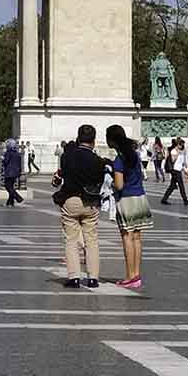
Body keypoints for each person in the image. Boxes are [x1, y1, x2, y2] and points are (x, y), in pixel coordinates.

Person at [54, 124, 107, 289]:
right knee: (91, 239)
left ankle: (74, 277)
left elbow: (63, 175)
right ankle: (93, 278)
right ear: (93, 141)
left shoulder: (67, 157)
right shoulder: (98, 160)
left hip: (71, 200)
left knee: (71, 240)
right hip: (90, 202)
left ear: (78, 138)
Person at [106, 124, 151, 290]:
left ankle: (130, 275)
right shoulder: (135, 156)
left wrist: (110, 179)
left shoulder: (119, 160)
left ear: (112, 140)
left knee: (127, 237)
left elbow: (119, 185)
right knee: (137, 237)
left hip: (126, 199)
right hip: (140, 196)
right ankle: (136, 275)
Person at [160, 138, 188, 205]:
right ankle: (185, 200)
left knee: (172, 186)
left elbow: (181, 162)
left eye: (183, 145)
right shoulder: (174, 151)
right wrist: (177, 154)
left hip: (178, 170)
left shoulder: (181, 151)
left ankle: (164, 199)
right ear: (178, 144)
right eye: (181, 145)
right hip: (175, 170)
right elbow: (172, 161)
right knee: (181, 185)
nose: (182, 146)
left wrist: (184, 169)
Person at [2, 138, 24, 206]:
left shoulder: (8, 152)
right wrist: (19, 172)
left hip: (9, 172)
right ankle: (10, 202)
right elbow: (19, 163)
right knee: (11, 187)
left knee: (8, 187)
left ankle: (19, 198)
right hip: (15, 172)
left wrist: (2, 158)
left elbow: (6, 162)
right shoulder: (17, 153)